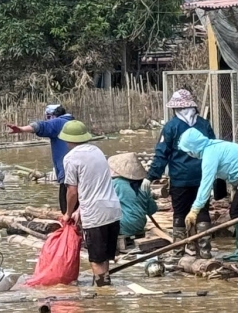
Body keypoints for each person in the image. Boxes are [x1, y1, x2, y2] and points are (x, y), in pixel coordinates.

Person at [178, 128, 238, 264]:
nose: (189, 154)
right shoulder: (212, 146)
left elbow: (205, 184)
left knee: (237, 212)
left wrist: (195, 209)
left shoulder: (210, 154)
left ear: (193, 147)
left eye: (189, 151)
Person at [148, 88, 217, 255]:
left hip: (180, 179)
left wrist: (151, 176)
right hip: (203, 178)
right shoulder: (203, 124)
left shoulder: (171, 127)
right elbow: (214, 149)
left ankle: (178, 251)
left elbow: (161, 153)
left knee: (179, 213)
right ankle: (205, 250)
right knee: (202, 211)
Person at [58, 120, 122, 286]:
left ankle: (103, 296)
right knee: (105, 257)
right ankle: (106, 285)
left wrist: (68, 213)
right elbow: (93, 184)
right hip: (113, 210)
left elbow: (72, 191)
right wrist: (80, 210)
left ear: (67, 140)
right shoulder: (97, 151)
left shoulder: (70, 158)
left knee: (95, 259)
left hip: (95, 215)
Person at [9, 103, 75, 211]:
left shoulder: (58, 122)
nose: (47, 120)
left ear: (53, 115)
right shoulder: (75, 124)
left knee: (67, 211)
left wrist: (21, 129)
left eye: (48, 117)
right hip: (81, 175)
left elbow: (40, 126)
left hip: (67, 176)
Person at [109, 152, 158, 249]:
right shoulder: (145, 185)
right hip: (140, 225)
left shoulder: (116, 184)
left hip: (124, 226)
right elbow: (152, 209)